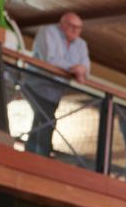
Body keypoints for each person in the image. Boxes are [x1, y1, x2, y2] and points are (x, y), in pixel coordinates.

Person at [22, 11, 90, 157]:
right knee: (48, 121)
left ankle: (29, 156)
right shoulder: (48, 32)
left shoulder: (81, 44)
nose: (75, 31)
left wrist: (80, 69)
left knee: (41, 123)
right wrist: (75, 69)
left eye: (78, 28)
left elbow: (86, 68)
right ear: (62, 24)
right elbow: (50, 60)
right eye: (72, 26)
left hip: (54, 94)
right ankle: (43, 158)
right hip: (35, 86)